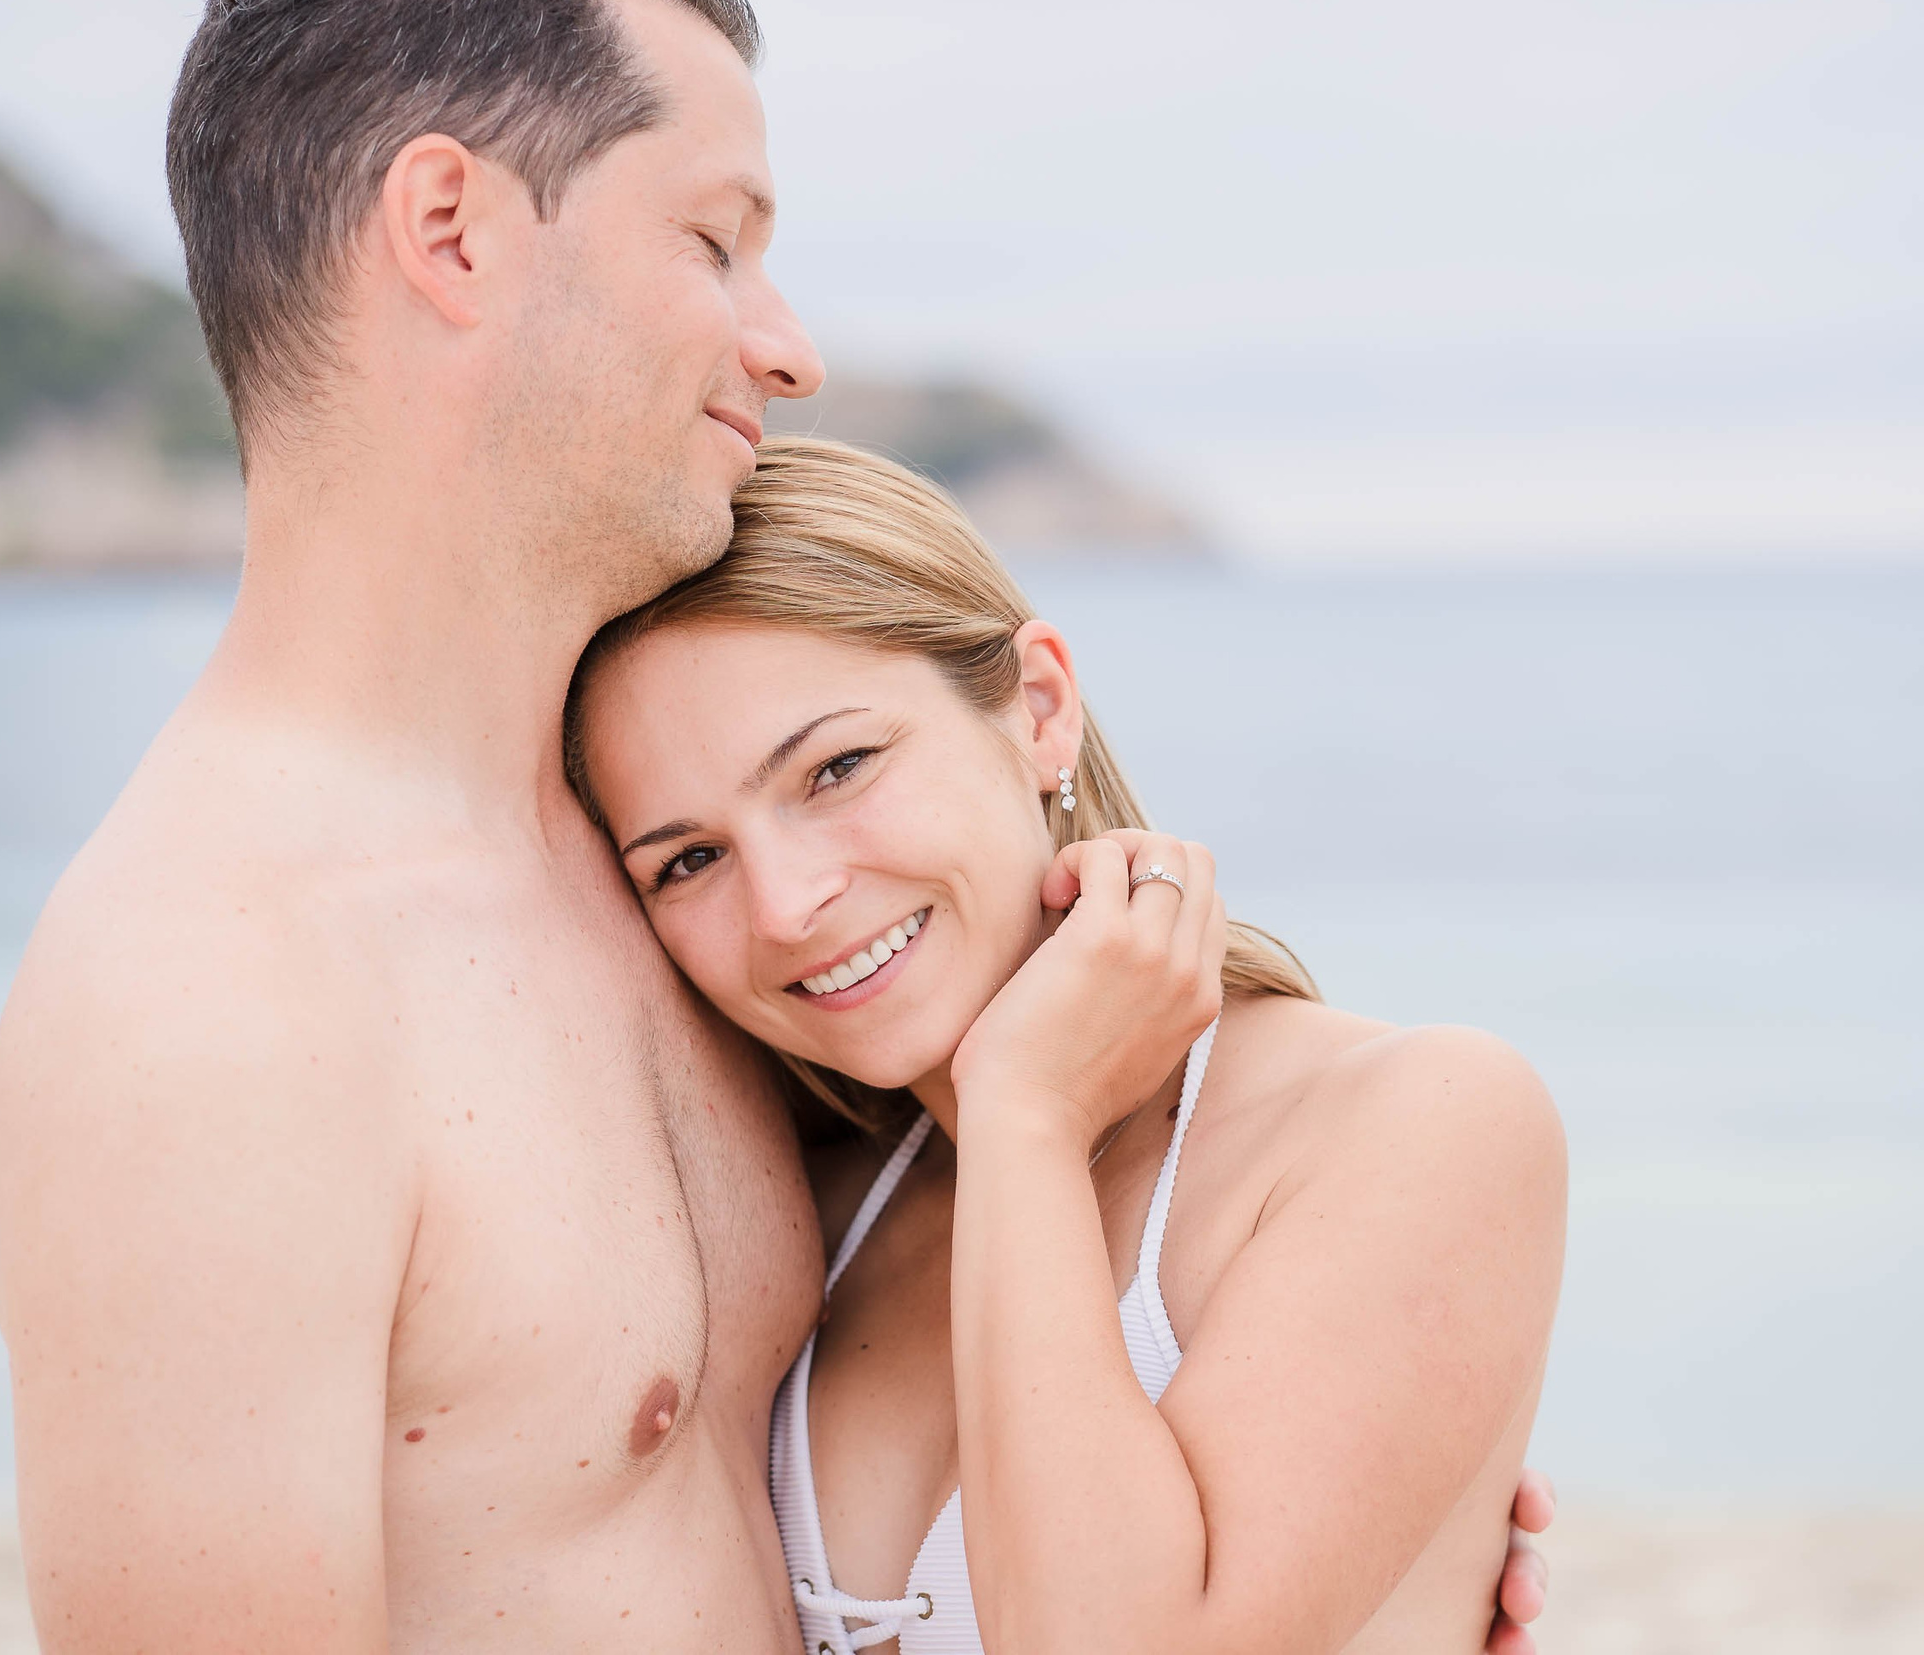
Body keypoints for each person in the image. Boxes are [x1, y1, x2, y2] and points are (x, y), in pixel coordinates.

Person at [0, 0, 1556, 1649]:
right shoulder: (204, 999)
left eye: (835, 773)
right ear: (453, 232)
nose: (787, 347)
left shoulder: (632, 891)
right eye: (715, 240)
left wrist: (1398, 1537)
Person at [567, 437, 1568, 1653]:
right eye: (687, 860)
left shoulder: (1414, 1122)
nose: (783, 905)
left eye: (836, 768)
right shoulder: (798, 1217)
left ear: (1038, 707)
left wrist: (1028, 1117)